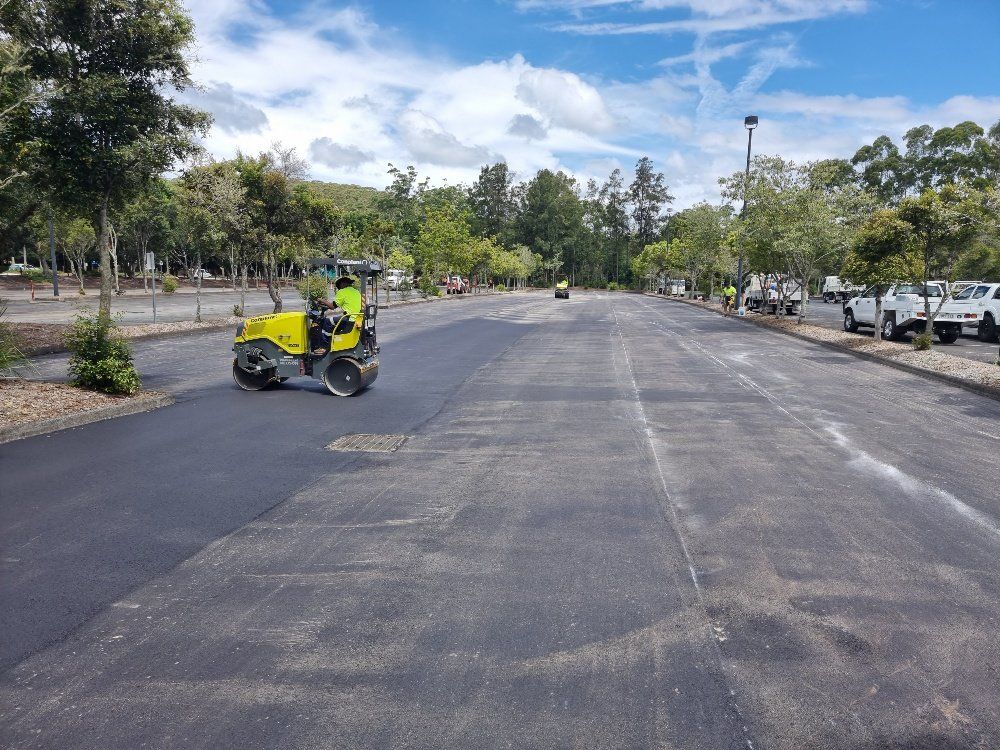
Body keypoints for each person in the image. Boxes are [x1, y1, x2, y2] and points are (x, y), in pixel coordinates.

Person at [313, 277, 364, 355]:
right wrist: (325, 303)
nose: (339, 288)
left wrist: (322, 300)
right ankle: (331, 341)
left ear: (342, 284)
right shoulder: (356, 291)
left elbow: (332, 307)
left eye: (339, 286)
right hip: (356, 318)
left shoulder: (342, 291)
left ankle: (324, 347)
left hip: (349, 319)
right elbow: (336, 305)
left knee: (327, 321)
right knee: (334, 320)